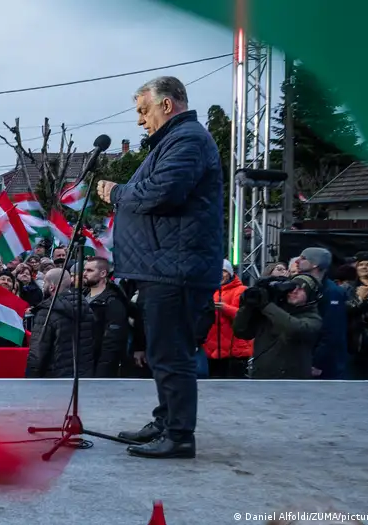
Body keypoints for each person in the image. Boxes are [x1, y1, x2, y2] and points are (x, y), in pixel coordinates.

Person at [96, 76, 223, 459]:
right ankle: (166, 421)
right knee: (162, 352)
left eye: (143, 110)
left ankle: (179, 435)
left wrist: (117, 192)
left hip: (176, 266)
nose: (140, 120)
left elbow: (162, 193)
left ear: (166, 105)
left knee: (172, 354)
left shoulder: (187, 140)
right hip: (164, 263)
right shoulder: (174, 141)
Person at [232, 274, 323, 379]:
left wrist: (266, 306)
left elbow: (295, 329)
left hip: (293, 381)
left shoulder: (313, 319)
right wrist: (248, 307)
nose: (294, 291)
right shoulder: (270, 313)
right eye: (292, 287)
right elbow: (241, 331)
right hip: (261, 377)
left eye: (301, 289)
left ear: (311, 295)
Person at [25, 268, 96, 378]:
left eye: (45, 282)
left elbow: (38, 352)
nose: (43, 286)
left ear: (52, 286)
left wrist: (31, 377)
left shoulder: (46, 312)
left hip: (54, 379)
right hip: (82, 376)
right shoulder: (86, 307)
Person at [296, 248, 349, 379]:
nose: (297, 261)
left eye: (303, 258)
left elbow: (332, 331)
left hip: (325, 366)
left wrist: (318, 363)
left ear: (315, 264)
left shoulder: (332, 292)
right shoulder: (306, 287)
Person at [203, 260, 252, 378]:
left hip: (235, 353)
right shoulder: (206, 292)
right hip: (211, 352)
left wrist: (226, 308)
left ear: (230, 273)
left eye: (224, 271)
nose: (220, 274)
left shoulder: (242, 290)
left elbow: (248, 317)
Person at [82, 257, 130, 377]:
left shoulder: (113, 301)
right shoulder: (81, 296)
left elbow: (113, 341)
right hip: (82, 362)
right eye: (84, 270)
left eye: (89, 270)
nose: (84, 273)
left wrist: (103, 371)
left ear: (103, 273)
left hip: (98, 363)